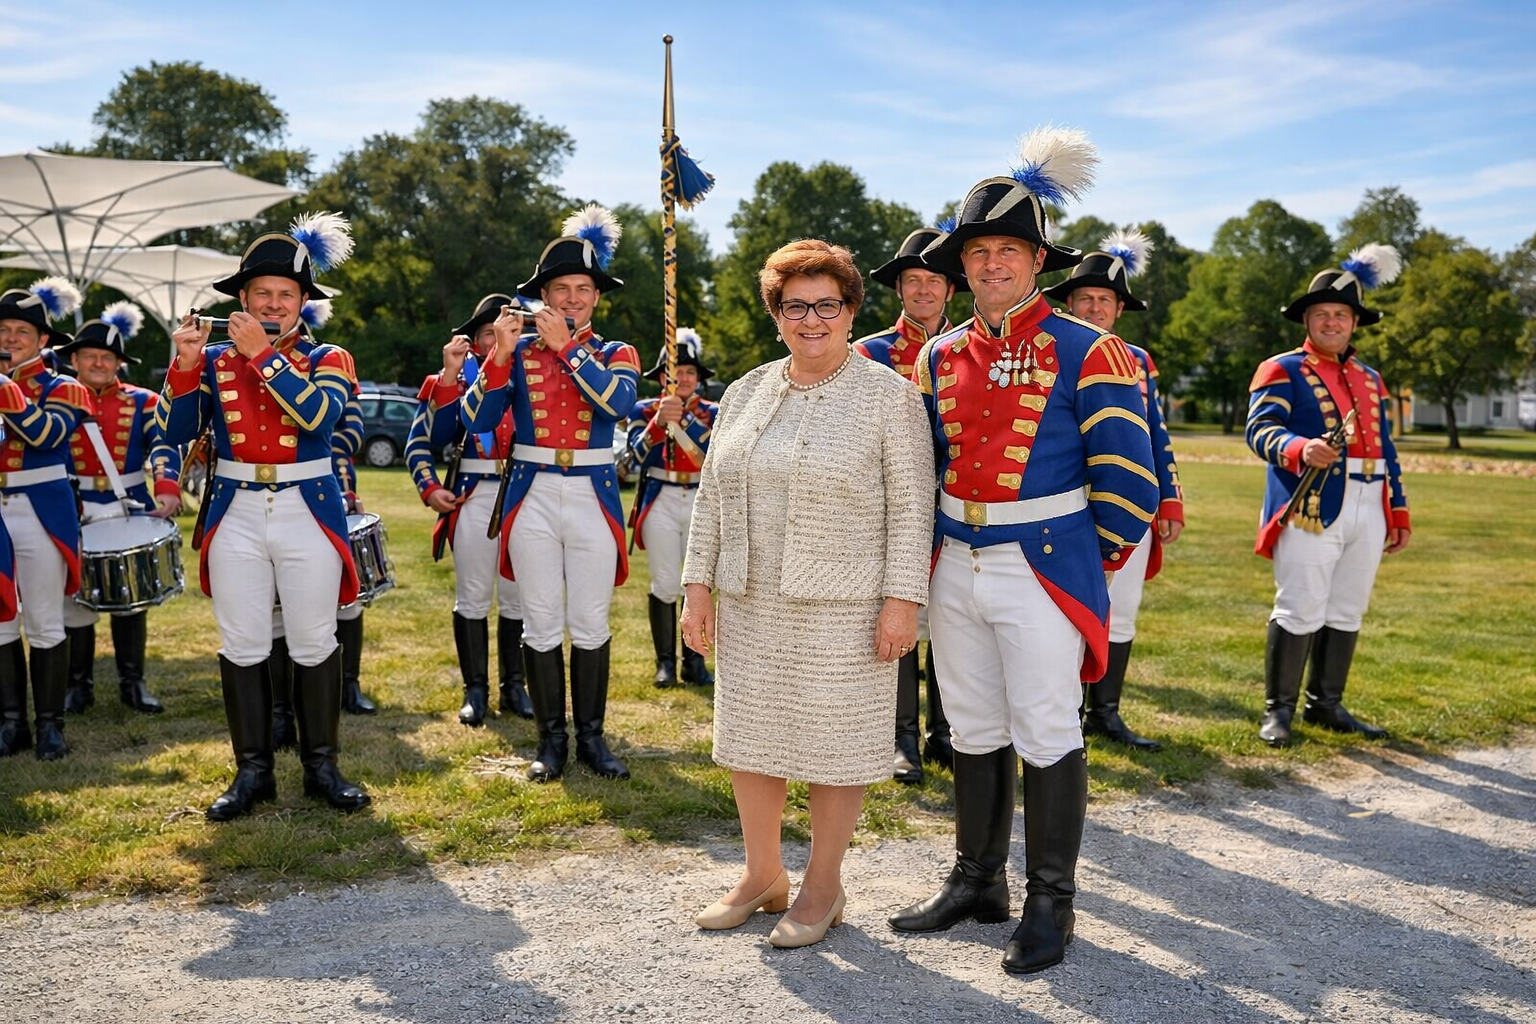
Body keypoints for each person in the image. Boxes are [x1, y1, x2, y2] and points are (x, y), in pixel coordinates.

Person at [889, 127, 1158, 975]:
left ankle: (1052, 903)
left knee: (1046, 727)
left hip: (1043, 562)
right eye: (980, 251)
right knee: (970, 723)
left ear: (1039, 261)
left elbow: (1129, 482)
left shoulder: (1092, 348)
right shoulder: (936, 356)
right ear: (962, 264)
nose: (994, 264)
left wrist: (1085, 558)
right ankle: (977, 881)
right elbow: (923, 465)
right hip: (955, 558)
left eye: (1011, 249)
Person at [681, 238, 934, 949]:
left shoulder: (892, 397)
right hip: (749, 597)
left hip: (845, 605)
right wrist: (696, 588)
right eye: (796, 306)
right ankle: (762, 875)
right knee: (751, 741)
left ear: (852, 311)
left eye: (828, 304)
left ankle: (823, 886)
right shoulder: (744, 392)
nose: (812, 319)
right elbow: (711, 498)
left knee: (833, 745)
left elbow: (913, 508)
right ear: (776, 314)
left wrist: (901, 600)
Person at [161, 212, 370, 820]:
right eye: (262, 294)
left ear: (304, 303)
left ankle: (322, 768)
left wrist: (263, 358)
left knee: (312, 638)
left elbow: (317, 420)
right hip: (236, 508)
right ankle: (252, 773)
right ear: (243, 299)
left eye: (286, 295)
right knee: (243, 640)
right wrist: (183, 364)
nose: (274, 304)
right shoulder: (215, 359)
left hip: (307, 506)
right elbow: (175, 429)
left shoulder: (330, 356)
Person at [462, 206, 639, 782]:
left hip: (591, 490)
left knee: (589, 621)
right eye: (559, 289)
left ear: (596, 295)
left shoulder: (617, 352)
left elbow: (616, 404)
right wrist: (500, 356)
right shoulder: (516, 353)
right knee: (539, 620)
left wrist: (568, 349)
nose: (570, 299)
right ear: (542, 294)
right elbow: (477, 417)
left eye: (581, 289)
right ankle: (551, 740)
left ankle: (593, 738)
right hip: (532, 490)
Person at [1247, 244, 1410, 747]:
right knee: (1299, 606)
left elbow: (1387, 448)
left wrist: (1397, 511)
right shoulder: (1282, 369)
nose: (1332, 323)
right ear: (1308, 320)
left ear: (1355, 323)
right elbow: (1260, 431)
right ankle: (1279, 712)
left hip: (1369, 501)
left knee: (1347, 608)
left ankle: (1327, 705)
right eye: (1323, 315)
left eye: (1341, 315)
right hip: (1312, 503)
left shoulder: (1371, 379)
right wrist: (1300, 448)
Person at [1043, 229, 1185, 751]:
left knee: (1121, 611)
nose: (1096, 307)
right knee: (1065, 610)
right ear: (1071, 302)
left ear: (1118, 309)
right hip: (1064, 503)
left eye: (1105, 300)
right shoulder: (1054, 347)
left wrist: (1168, 498)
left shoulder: (1139, 359)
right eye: (1086, 298)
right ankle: (1065, 714)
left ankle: (1106, 713)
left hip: (1128, 502)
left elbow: (1153, 433)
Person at [856, 222, 967, 785]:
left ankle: (946, 732)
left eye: (934, 281)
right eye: (912, 281)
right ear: (898, 289)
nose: (923, 290)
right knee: (901, 619)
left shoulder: (972, 348)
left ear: (951, 288)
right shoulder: (867, 353)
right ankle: (900, 738)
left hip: (955, 504)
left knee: (950, 619)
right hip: (888, 508)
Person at [407, 293, 532, 726]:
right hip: (473, 495)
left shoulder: (532, 378)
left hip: (524, 492)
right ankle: (475, 690)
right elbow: (425, 441)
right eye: (487, 334)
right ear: (476, 341)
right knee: (473, 596)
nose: (497, 340)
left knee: (518, 596)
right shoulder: (452, 381)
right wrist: (429, 489)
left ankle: (515, 687)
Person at [56, 302, 182, 716]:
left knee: (131, 595)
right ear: (73, 359)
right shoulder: (56, 398)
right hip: (71, 506)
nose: (98, 363)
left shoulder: (144, 401)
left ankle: (133, 682)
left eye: (107, 357)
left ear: (118, 364)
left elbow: (162, 444)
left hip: (127, 505)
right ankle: (79, 686)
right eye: (90, 356)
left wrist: (165, 486)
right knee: (73, 597)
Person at [0, 277, 93, 760]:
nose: (11, 338)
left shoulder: (67, 387)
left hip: (38, 508)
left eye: (22, 331)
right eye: (4, 330)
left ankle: (50, 726)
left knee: (43, 619)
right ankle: (11, 723)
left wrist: (6, 391)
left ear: (42, 341)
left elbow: (45, 435)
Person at [627, 327, 717, 689]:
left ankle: (694, 662)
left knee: (699, 585)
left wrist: (686, 420)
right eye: (675, 372)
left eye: (689, 372)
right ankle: (665, 661)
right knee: (665, 582)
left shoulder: (713, 412)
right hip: (661, 496)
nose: (682, 378)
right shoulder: (644, 409)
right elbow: (630, 461)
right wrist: (658, 422)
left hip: (701, 499)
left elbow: (716, 457)